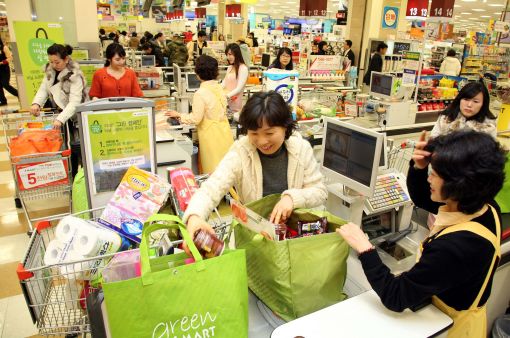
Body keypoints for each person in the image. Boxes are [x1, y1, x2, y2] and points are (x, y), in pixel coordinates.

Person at [337, 130, 506, 337]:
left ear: (458, 185)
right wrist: (419, 168)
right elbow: (424, 200)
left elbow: (395, 296)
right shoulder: (484, 205)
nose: (429, 178)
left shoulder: (457, 247)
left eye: (435, 174)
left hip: (451, 328)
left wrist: (365, 248)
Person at [182, 91, 328, 239]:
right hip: (255, 236)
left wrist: (292, 198)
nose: (262, 141)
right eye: (254, 133)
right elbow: (212, 188)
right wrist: (194, 216)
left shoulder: (301, 149)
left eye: (269, 133)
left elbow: (320, 191)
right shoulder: (241, 153)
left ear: (285, 127)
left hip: (294, 235)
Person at [165, 55, 233, 174]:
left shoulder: (200, 93)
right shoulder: (219, 88)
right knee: (226, 169)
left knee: (212, 171)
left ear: (197, 73)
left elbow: (196, 119)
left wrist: (179, 115)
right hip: (225, 132)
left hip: (211, 136)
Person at [30, 44, 88, 177]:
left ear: (66, 59)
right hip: (60, 117)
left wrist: (60, 119)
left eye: (57, 62)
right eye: (51, 61)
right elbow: (44, 89)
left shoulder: (75, 75)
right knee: (65, 150)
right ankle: (71, 179)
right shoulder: (50, 71)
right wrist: (36, 103)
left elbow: (75, 102)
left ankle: (82, 181)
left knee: (78, 149)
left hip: (75, 118)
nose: (54, 65)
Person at [431, 82, 497, 139]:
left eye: (476, 101)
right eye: (466, 99)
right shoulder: (446, 117)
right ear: (459, 99)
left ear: (483, 104)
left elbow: (490, 151)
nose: (469, 105)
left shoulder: (489, 126)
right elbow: (433, 138)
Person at [222, 43, 249, 115]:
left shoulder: (243, 68)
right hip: (225, 102)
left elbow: (239, 88)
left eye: (230, 54)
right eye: (227, 55)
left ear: (237, 54)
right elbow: (224, 83)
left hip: (235, 102)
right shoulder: (230, 67)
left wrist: (226, 96)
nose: (228, 57)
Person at [0, 38, 18, 105]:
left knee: (5, 84)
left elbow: (10, 58)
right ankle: (3, 101)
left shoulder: (4, 47)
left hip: (4, 69)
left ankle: (18, 94)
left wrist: (2, 62)